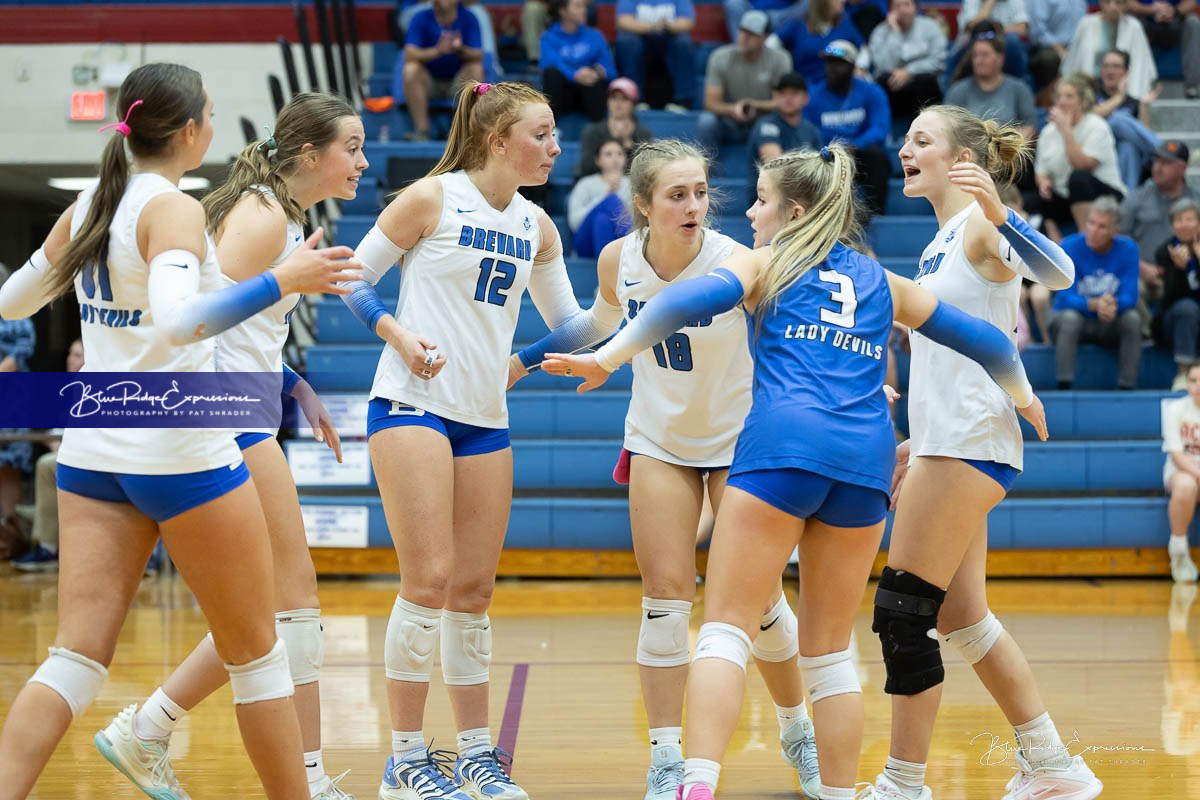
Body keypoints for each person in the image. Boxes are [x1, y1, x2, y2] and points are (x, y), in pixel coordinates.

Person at [538, 143, 1046, 800]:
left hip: (784, 445)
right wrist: (1025, 398)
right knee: (829, 653)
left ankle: (696, 785)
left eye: (762, 200)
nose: (750, 212)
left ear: (795, 212)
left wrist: (609, 358)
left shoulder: (765, 262)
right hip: (863, 461)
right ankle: (837, 792)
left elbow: (678, 304)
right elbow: (992, 342)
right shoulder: (881, 279)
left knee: (725, 628)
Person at [0, 62, 361, 800]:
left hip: (94, 445)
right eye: (212, 114)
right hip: (180, 440)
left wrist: (282, 370)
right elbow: (177, 322)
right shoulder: (173, 208)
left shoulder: (90, 205)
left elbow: (12, 302)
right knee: (259, 654)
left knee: (75, 660)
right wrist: (284, 280)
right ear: (190, 130)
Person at [512, 138, 823, 800]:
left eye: (701, 193)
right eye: (677, 195)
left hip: (739, 443)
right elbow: (595, 325)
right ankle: (666, 758)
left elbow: (793, 338)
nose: (693, 207)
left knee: (761, 599)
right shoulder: (617, 259)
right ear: (644, 205)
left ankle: (798, 731)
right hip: (660, 440)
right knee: (664, 601)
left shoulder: (737, 261)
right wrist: (523, 360)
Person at [94, 92, 367, 800]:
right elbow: (199, 324)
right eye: (352, 147)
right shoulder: (263, 214)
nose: (363, 161)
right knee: (290, 604)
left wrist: (294, 386)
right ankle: (304, 779)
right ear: (309, 154)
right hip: (225, 414)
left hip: (244, 407)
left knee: (267, 609)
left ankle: (149, 728)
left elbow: (242, 322)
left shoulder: (281, 212)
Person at [338, 80, 576, 800]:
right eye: (541, 134)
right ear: (497, 140)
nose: (555, 147)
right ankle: (405, 759)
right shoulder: (431, 198)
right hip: (411, 403)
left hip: (484, 416)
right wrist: (398, 334)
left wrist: (529, 358)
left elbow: (573, 324)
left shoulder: (537, 225)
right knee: (429, 581)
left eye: (555, 134)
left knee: (473, 591)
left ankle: (475, 756)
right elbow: (353, 278)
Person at [866, 104, 1099, 800]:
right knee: (959, 616)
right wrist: (917, 439)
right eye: (906, 139)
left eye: (922, 140)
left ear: (962, 159)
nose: (906, 150)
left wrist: (1001, 214)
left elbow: (1061, 275)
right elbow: (952, 361)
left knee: (902, 612)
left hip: (969, 444)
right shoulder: (939, 241)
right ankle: (1052, 764)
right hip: (949, 441)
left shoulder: (976, 224)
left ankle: (903, 784)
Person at [1049, 197, 1142, 389]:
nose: (1093, 230)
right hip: (1069, 321)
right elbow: (1065, 296)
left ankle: (1127, 386)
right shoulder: (1069, 246)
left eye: (1102, 226)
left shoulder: (1128, 249)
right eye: (1091, 223)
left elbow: (1131, 296)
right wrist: (1094, 304)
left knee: (1132, 318)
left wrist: (1113, 305)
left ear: (1115, 231)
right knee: (1070, 318)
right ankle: (1064, 385)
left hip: (1108, 321)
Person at [9, 338, 84, 573]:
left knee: (47, 465)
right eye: (70, 354)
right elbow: (42, 427)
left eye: (78, 355)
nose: (71, 360)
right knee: (48, 464)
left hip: (90, 456)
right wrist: (52, 441)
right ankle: (46, 545)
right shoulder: (60, 388)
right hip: (64, 455)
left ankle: (39, 522)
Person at [804, 40, 892, 216]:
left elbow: (879, 129)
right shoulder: (814, 95)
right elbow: (808, 130)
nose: (831, 68)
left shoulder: (872, 92)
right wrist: (833, 148)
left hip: (859, 154)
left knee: (877, 156)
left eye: (838, 63)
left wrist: (853, 145)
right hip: (827, 155)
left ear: (852, 66)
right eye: (829, 63)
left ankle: (873, 214)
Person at [1034, 74, 1125, 240]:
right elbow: (1041, 170)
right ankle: (1057, 245)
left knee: (1078, 178)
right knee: (1044, 193)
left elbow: (1081, 165)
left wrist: (1066, 130)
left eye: (1069, 96)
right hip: (1066, 197)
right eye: (1059, 96)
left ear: (1083, 102)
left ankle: (1085, 239)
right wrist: (1043, 182)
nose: (1062, 101)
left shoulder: (1097, 126)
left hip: (1103, 195)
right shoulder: (1048, 131)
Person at [697, 10, 793, 155]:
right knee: (706, 121)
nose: (744, 37)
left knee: (781, 120)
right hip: (730, 120)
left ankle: (779, 168)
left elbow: (781, 101)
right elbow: (710, 103)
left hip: (764, 120)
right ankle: (707, 167)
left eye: (751, 34)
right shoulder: (720, 57)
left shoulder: (780, 59)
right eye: (742, 31)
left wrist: (753, 105)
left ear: (764, 38)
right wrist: (734, 109)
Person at [1121, 140, 1199, 307]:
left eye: (1166, 163)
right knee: (1132, 290)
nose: (1157, 167)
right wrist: (1140, 267)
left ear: (1182, 168)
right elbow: (1119, 238)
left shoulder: (1196, 202)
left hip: (1186, 276)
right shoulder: (1136, 198)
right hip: (1143, 274)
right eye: (1156, 161)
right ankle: (1148, 325)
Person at [401, 0, 485, 141]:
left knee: (475, 69)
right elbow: (409, 54)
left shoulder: (469, 18)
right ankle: (422, 130)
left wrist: (459, 49)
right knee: (411, 70)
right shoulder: (420, 17)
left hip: (457, 81)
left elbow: (478, 55)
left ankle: (463, 131)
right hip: (430, 82)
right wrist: (438, 50)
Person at [943, 30, 1037, 142]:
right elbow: (947, 128)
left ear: (1000, 58)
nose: (978, 60)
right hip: (968, 149)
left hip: (1008, 149)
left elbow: (1030, 127)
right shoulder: (957, 90)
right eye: (975, 55)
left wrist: (1006, 146)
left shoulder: (1020, 89)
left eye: (984, 55)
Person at [863, 0, 947, 124]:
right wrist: (895, 32)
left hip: (923, 86)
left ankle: (928, 126)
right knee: (882, 81)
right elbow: (884, 66)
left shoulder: (930, 27)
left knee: (926, 81)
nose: (903, 10)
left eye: (907, 4)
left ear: (915, 7)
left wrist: (908, 71)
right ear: (890, 11)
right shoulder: (880, 32)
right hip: (894, 87)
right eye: (897, 6)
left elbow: (938, 61)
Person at [1094, 49, 1163, 192]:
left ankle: (1127, 197)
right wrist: (1119, 97)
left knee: (1128, 147)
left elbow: (1143, 134)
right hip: (1097, 148)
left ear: (1126, 72)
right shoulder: (1092, 93)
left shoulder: (1132, 102)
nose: (1110, 71)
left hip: (1122, 154)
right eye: (1106, 66)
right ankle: (1162, 151)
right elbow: (1093, 115)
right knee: (1118, 119)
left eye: (1115, 66)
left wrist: (1143, 106)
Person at [1061, 0, 1158, 101]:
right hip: (1090, 88)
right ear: (1100, 3)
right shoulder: (1086, 24)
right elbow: (1073, 61)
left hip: (1124, 90)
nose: (1113, 7)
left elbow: (1140, 65)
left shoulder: (1134, 27)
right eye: (1107, 2)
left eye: (1118, 2)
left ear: (1126, 5)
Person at [540, 0, 615, 122]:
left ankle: (600, 127)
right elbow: (550, 64)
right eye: (578, 6)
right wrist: (575, 75)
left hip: (588, 93)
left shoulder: (595, 35)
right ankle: (550, 126)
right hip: (563, 95)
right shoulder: (548, 37)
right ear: (563, 11)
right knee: (552, 74)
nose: (584, 10)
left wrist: (598, 72)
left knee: (596, 80)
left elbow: (611, 71)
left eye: (584, 6)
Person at [0, 275, 35, 535]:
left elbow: (22, 350)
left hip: (11, 397)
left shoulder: (15, 309)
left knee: (8, 463)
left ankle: (9, 530)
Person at [748, 72, 822, 194]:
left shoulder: (812, 130)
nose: (788, 98)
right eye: (783, 93)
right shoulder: (767, 125)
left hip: (802, 196)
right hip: (767, 197)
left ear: (806, 98)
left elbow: (818, 169)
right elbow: (775, 166)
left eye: (794, 93)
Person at [615, 0, 697, 111]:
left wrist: (667, 26)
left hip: (668, 41)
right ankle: (634, 99)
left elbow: (687, 23)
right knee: (628, 42)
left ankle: (683, 101)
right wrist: (653, 27)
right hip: (641, 42)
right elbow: (623, 21)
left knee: (683, 42)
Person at [1156, 199, 1200, 390]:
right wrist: (1180, 270)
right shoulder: (1165, 252)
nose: (1184, 225)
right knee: (1187, 308)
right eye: (1178, 220)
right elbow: (1172, 297)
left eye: (1189, 219)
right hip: (1175, 319)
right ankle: (1184, 373)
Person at [1162, 362, 1200, 582]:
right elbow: (1176, 454)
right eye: (1193, 380)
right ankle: (1178, 552)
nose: (1198, 385)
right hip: (1181, 471)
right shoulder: (1175, 409)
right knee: (1186, 486)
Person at [576, 78, 654, 180]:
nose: (618, 104)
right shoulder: (592, 131)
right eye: (614, 98)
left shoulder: (643, 133)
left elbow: (646, 169)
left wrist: (629, 146)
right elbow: (586, 166)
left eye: (624, 99)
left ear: (634, 105)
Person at [567, 137, 633, 258]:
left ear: (625, 159)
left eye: (619, 154)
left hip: (616, 242)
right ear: (598, 160)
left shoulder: (632, 185)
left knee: (602, 219)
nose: (615, 159)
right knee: (611, 200)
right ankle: (633, 249)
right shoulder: (585, 184)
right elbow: (574, 222)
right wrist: (605, 198)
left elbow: (638, 220)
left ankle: (607, 266)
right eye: (608, 154)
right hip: (586, 242)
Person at [778, 0, 864, 89]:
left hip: (838, 86)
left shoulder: (845, 25)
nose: (843, 1)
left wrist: (859, 67)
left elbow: (863, 50)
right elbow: (773, 43)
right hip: (805, 87)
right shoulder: (799, 24)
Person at [1127, 0, 1200, 98]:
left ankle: (1192, 86)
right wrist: (1151, 10)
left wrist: (1173, 11)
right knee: (1130, 22)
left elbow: (1191, 3)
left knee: (1193, 22)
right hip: (1145, 20)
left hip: (1174, 20)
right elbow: (1128, 3)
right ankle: (1131, 86)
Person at [1026, 0, 1086, 99]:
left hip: (1075, 47)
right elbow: (1038, 31)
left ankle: (1086, 101)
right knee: (1048, 59)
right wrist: (1060, 50)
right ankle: (1049, 101)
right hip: (1048, 47)